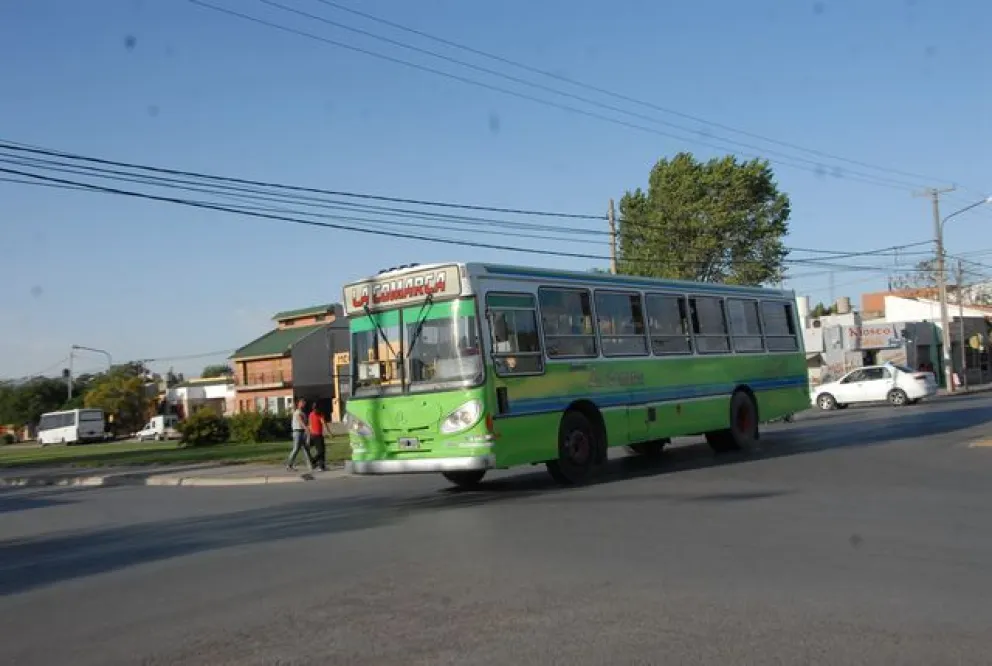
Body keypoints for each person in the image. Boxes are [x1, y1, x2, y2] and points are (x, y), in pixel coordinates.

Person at [286, 398, 313, 471]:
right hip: (297, 432)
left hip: (302, 432)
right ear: (299, 403)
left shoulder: (302, 412)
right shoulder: (297, 412)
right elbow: (300, 421)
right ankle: (289, 465)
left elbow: (304, 422)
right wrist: (306, 429)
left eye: (304, 403)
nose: (304, 404)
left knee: (306, 449)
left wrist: (307, 428)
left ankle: (310, 465)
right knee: (296, 449)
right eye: (302, 402)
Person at [308, 405, 327, 471]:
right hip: (316, 436)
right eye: (314, 409)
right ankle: (313, 461)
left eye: (316, 409)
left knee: (322, 451)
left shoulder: (319, 414)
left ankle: (322, 466)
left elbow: (323, 423)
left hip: (318, 435)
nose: (315, 410)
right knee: (321, 451)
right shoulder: (312, 414)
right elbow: (310, 424)